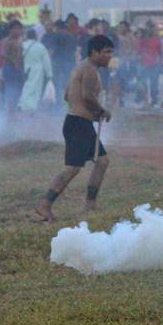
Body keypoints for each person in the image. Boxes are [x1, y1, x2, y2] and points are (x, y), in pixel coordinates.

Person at [34, 35, 115, 221]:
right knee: (72, 168)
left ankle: (90, 204)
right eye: (106, 52)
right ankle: (44, 205)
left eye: (110, 52)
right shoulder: (89, 69)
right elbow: (87, 96)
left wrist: (88, 113)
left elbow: (66, 95)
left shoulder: (84, 67)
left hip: (80, 123)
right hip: (78, 125)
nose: (109, 56)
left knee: (102, 162)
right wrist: (102, 111)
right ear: (94, 52)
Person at [19, 30, 53, 112]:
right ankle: (31, 106)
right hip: (37, 70)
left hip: (25, 69)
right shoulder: (41, 47)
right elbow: (46, 61)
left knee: (26, 87)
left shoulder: (23, 45)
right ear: (36, 36)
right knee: (35, 89)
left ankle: (23, 105)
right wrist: (49, 75)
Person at [1, 21, 26, 115]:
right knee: (11, 90)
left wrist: (23, 71)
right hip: (9, 68)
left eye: (19, 29)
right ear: (10, 30)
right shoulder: (6, 41)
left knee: (18, 91)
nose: (17, 31)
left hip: (18, 69)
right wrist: (13, 62)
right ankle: (9, 114)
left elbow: (21, 57)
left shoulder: (18, 41)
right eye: (15, 29)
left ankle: (12, 112)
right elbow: (3, 54)